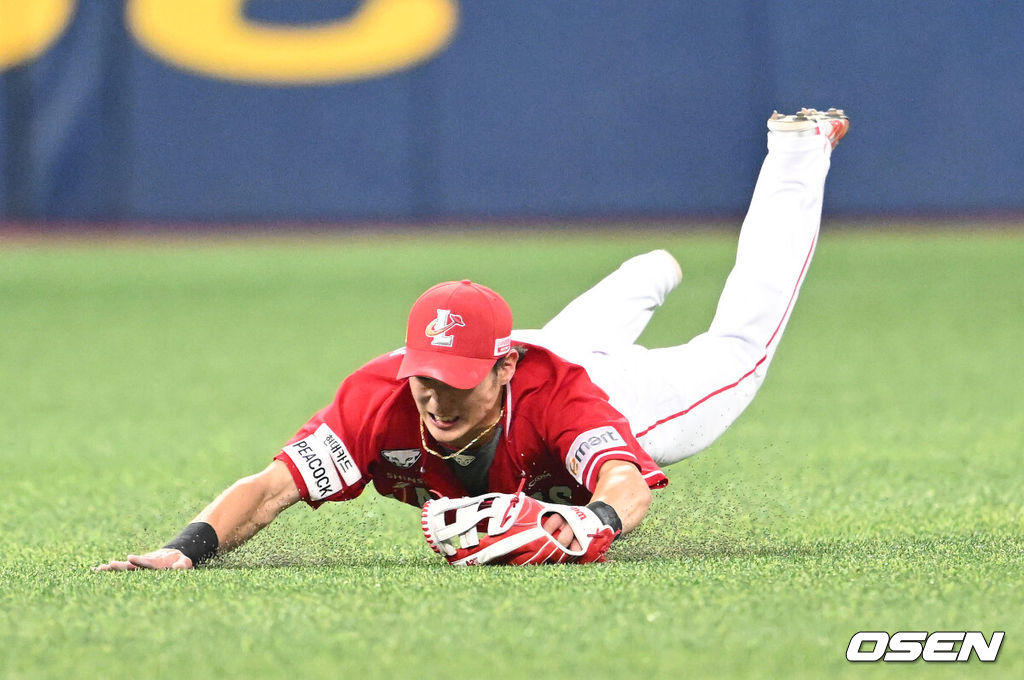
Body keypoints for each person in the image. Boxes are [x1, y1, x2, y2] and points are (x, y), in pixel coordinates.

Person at [94, 107, 849, 570]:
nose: (435, 394)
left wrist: (595, 520)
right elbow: (269, 490)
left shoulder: (560, 398)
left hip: (606, 388)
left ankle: (798, 151)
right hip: (544, 347)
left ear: (500, 366)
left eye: (455, 378)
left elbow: (622, 482)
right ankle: (651, 271)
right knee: (574, 334)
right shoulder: (383, 396)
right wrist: (184, 548)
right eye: (426, 373)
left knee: (738, 352)